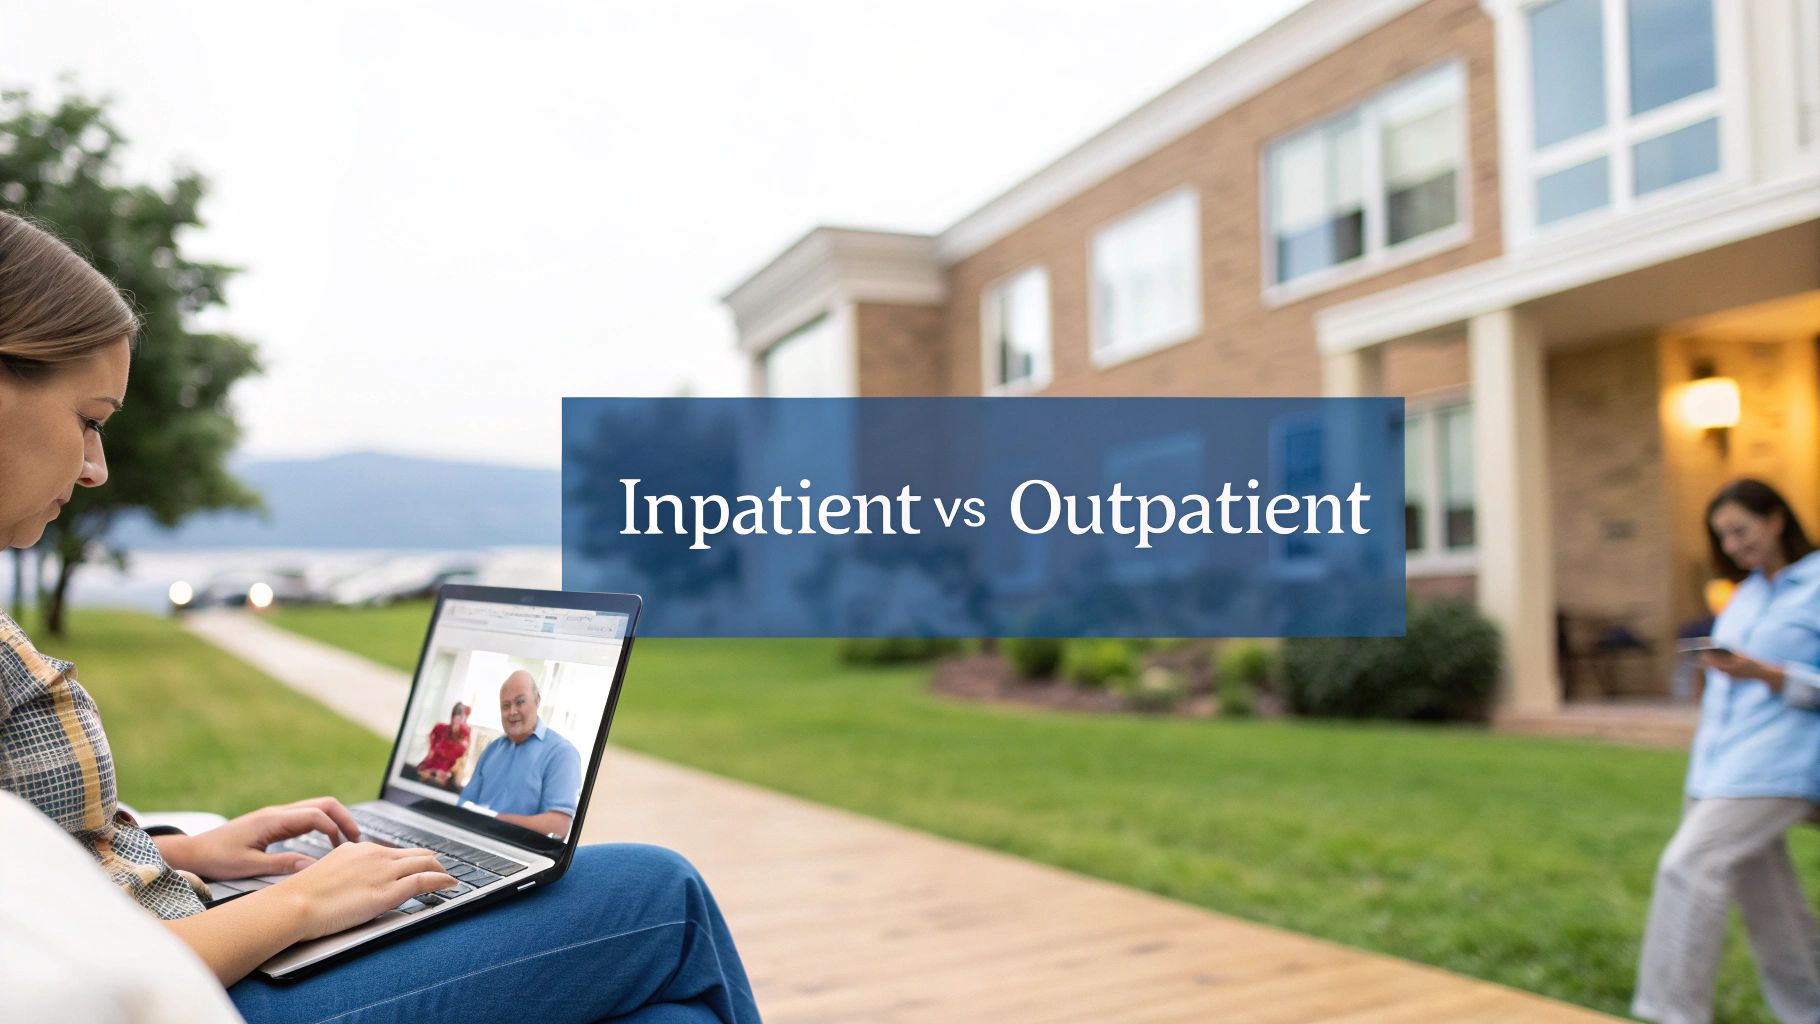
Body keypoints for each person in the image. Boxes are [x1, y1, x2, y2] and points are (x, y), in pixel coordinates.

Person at [0, 209, 760, 1023]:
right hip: (190, 995)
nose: (96, 467)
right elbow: (60, 986)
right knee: (660, 894)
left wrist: (184, 851)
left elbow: (40, 873)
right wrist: (297, 904)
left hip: (177, 941)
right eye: (90, 420)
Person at [1633, 478, 1820, 1024]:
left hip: (1781, 763)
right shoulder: (1745, 595)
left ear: (1776, 520)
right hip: (1721, 761)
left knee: (1688, 868)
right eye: (1723, 537)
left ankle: (1673, 1014)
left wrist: (1770, 674)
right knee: (1769, 903)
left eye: (1741, 530)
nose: (1733, 546)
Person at [459, 671, 582, 836]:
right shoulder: (492, 749)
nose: (512, 711)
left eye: (520, 702)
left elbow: (559, 826)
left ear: (537, 700)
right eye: (505, 705)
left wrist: (495, 821)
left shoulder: (562, 753)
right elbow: (465, 803)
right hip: (472, 839)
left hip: (518, 848)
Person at [414, 701, 471, 787]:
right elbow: (431, 748)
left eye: (460, 719)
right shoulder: (440, 729)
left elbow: (461, 756)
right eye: (456, 718)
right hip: (430, 770)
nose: (457, 722)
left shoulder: (464, 735)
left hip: (445, 776)